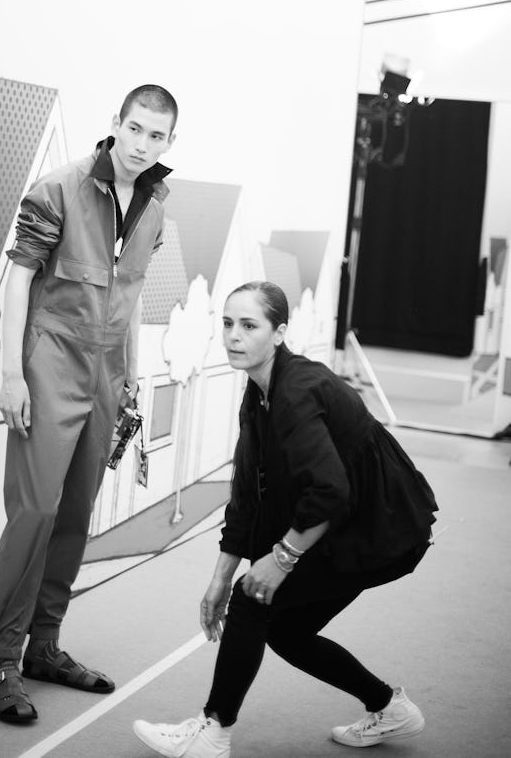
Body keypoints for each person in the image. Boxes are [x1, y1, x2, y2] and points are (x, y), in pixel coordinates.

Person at [133, 280, 438, 756]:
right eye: (228, 323)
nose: (234, 335)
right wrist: (219, 579)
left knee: (255, 597)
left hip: (381, 527)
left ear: (278, 333)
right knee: (284, 629)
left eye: (249, 325)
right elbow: (247, 499)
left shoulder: (297, 390)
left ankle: (213, 732)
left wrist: (282, 557)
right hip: (349, 520)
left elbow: (330, 491)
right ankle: (388, 707)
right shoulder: (258, 394)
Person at [0, 84, 178, 724]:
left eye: (156, 135)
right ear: (115, 126)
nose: (142, 144)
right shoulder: (57, 188)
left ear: (168, 144)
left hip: (108, 376)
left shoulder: (156, 206)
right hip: (48, 362)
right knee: (34, 511)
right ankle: (5, 664)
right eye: (135, 129)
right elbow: (18, 281)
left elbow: (131, 298)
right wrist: (12, 374)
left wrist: (131, 376)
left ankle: (45, 646)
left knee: (74, 514)